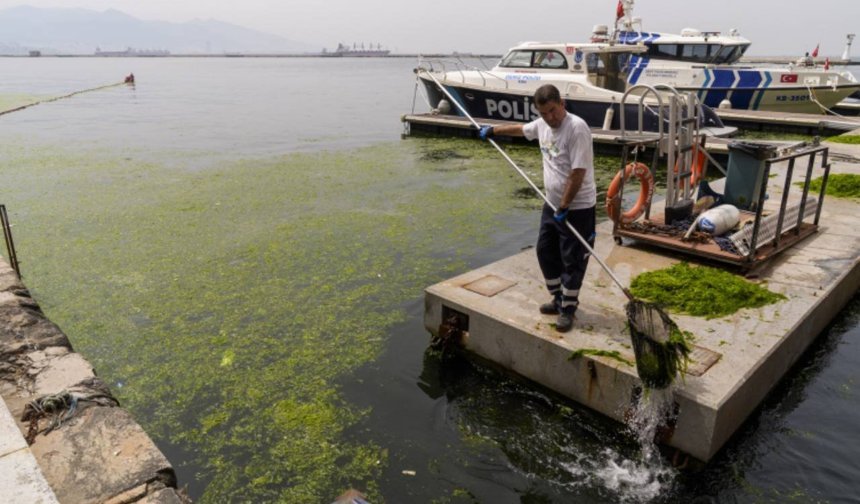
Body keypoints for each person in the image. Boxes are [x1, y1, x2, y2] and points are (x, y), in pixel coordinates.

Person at [479, 84, 596, 332]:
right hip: (553, 205)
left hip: (577, 208)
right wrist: (493, 130)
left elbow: (578, 173)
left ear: (562, 103)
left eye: (553, 111)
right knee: (545, 252)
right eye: (544, 113)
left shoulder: (577, 129)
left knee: (572, 260)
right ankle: (557, 298)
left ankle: (568, 308)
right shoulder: (542, 125)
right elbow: (522, 130)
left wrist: (564, 206)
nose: (549, 118)